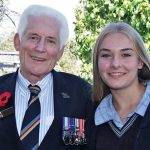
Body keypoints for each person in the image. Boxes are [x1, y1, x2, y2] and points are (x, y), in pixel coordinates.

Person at [0, 4, 92, 150]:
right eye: (33, 37)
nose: (40, 48)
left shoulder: (82, 95)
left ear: (60, 52)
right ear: (17, 41)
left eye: (50, 41)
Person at [89, 22, 150, 150]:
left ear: (140, 61)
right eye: (106, 55)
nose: (115, 64)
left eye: (126, 54)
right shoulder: (89, 114)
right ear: (97, 63)